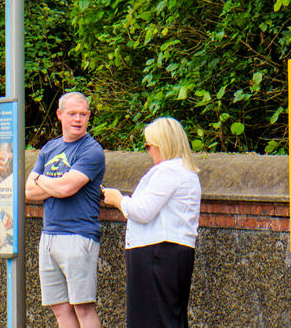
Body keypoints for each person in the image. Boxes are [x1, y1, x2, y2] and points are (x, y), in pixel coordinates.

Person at [101, 117, 200, 328]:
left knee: (152, 319)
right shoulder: (186, 172)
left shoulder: (168, 172)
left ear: (162, 145)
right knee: (169, 317)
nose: (147, 151)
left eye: (148, 145)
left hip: (157, 252)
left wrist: (119, 200)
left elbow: (142, 210)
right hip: (172, 251)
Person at [26, 91, 106, 328]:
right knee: (60, 310)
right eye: (72, 114)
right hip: (49, 236)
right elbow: (28, 192)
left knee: (83, 308)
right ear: (60, 115)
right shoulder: (50, 148)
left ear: (89, 116)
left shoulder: (91, 151)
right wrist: (54, 184)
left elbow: (66, 189)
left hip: (79, 236)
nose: (78, 119)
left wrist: (41, 179)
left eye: (83, 114)